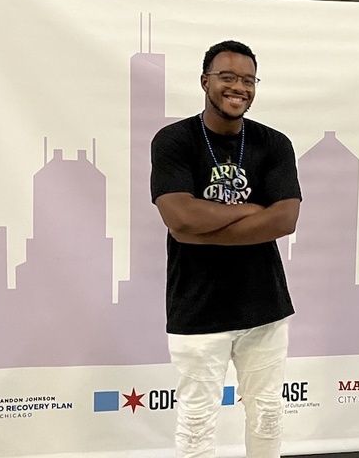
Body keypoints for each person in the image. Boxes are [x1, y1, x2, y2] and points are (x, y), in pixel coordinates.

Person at [150, 40, 302, 458]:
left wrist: (201, 226)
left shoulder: (273, 144)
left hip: (264, 306)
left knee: (268, 413)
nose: (239, 87)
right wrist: (252, 211)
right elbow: (179, 216)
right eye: (228, 77)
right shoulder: (174, 140)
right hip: (197, 307)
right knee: (197, 424)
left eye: (249, 80)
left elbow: (284, 219)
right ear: (206, 81)